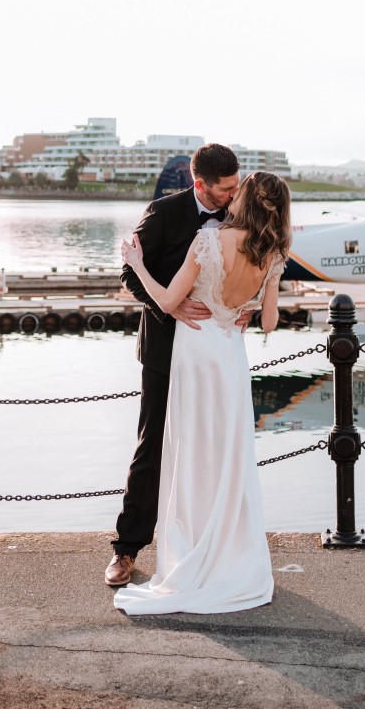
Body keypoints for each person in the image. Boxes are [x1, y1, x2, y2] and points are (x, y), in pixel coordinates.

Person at [113, 170, 291, 615]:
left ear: (243, 197)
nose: (230, 195)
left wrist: (134, 263)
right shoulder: (274, 252)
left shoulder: (210, 240)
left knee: (187, 455)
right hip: (230, 357)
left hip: (194, 352)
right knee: (229, 455)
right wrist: (247, 306)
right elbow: (269, 324)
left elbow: (170, 301)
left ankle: (192, 553)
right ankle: (230, 556)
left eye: (238, 189)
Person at [105, 143, 244, 587]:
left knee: (213, 448)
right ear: (198, 182)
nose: (232, 195)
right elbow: (130, 272)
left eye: (236, 186)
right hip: (165, 351)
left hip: (214, 353)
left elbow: (256, 265)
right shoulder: (163, 212)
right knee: (153, 448)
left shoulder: (241, 214)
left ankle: (210, 548)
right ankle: (126, 550)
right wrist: (171, 306)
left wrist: (250, 306)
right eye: (225, 189)